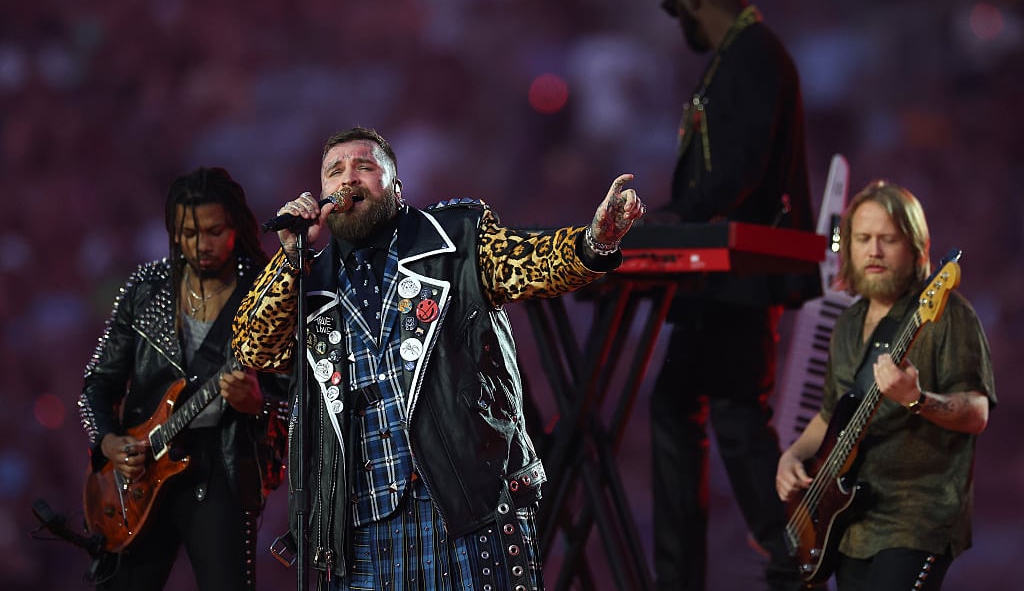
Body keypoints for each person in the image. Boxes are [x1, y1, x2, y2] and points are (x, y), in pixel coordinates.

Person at [231, 126, 645, 589]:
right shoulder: (309, 283)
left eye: (364, 167)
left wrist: (595, 241)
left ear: (396, 188)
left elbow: (534, 263)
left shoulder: (457, 240)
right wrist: (291, 259)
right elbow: (253, 346)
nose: (348, 179)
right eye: (335, 171)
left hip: (466, 509)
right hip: (361, 526)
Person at [648, 0, 822, 589]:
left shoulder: (753, 54)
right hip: (719, 278)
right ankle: (782, 556)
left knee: (731, 418)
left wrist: (675, 219)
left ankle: (794, 556)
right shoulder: (742, 53)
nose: (681, 25)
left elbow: (741, 167)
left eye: (680, 10)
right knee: (699, 409)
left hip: (739, 277)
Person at [776, 181, 996, 590]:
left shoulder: (948, 314)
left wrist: (917, 400)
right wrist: (791, 456)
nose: (873, 251)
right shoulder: (847, 324)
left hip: (916, 517)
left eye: (887, 239)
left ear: (915, 247)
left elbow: (977, 413)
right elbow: (830, 414)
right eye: (863, 239)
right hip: (850, 525)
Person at [78, 167, 291, 590]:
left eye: (214, 231)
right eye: (187, 234)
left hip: (222, 470)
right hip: (137, 475)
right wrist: (108, 442)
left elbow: (303, 388)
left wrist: (259, 403)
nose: (201, 245)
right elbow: (97, 384)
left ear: (236, 225)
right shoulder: (146, 288)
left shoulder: (266, 290)